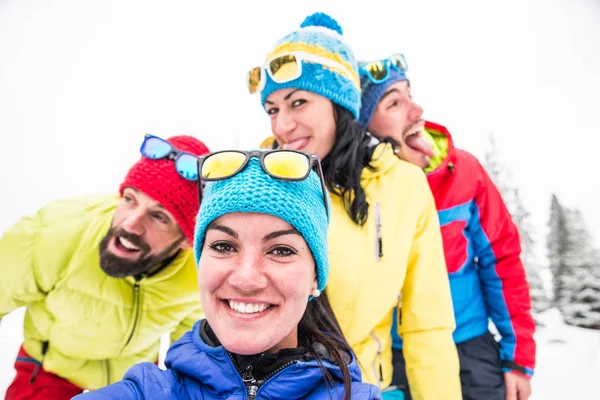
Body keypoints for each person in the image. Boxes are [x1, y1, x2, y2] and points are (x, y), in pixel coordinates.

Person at [252, 12, 461, 399]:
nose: (282, 126)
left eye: (298, 102)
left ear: (340, 104)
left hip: (359, 386)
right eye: (273, 109)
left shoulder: (404, 186)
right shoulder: (258, 182)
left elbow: (427, 323)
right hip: (269, 387)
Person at [72, 149, 382, 400]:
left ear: (316, 275)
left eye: (281, 250)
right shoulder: (148, 392)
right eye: (223, 245)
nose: (246, 278)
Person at [359, 53, 536, 400]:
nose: (416, 110)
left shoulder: (464, 173)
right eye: (394, 103)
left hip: (467, 345)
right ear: (365, 128)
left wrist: (517, 359)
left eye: (410, 94)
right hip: (388, 355)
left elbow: (502, 262)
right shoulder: (357, 191)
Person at [0, 134, 210, 399]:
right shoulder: (50, 234)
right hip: (51, 366)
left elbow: (191, 351)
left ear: (185, 240)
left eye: (159, 216)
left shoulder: (201, 271)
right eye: (130, 199)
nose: (130, 223)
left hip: (133, 375)